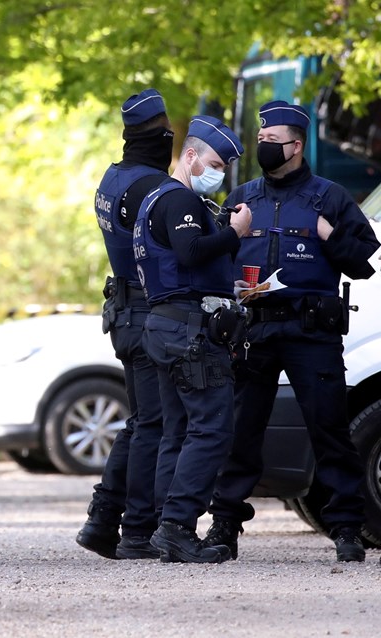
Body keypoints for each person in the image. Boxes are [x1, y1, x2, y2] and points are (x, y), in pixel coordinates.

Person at [204, 101, 380, 563]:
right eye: (260, 141)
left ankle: (346, 527)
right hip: (254, 331)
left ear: (297, 146)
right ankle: (224, 526)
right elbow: (215, 260)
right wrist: (235, 285)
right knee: (241, 430)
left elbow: (362, 261)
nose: (264, 148)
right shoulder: (243, 197)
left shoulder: (330, 198)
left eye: (272, 142)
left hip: (311, 334)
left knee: (330, 429)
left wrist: (327, 234)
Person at [132, 115, 252, 564]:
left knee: (176, 430)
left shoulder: (154, 198)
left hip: (164, 325)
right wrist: (234, 234)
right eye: (214, 162)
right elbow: (190, 252)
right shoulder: (180, 201)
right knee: (212, 429)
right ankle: (178, 526)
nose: (218, 172)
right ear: (189, 156)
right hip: (187, 330)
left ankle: (167, 523)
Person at [76, 89, 171, 560]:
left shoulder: (112, 179)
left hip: (124, 313)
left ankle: (102, 519)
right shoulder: (150, 186)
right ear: (160, 133)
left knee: (138, 422)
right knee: (152, 423)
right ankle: (136, 530)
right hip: (148, 312)